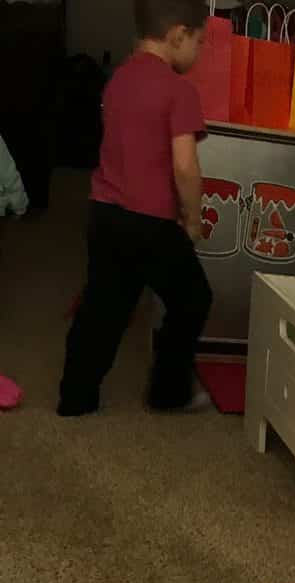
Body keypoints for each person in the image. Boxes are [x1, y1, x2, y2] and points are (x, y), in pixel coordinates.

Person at [57, 0, 212, 417]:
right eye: (199, 42)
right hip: (150, 223)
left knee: (105, 305)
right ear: (178, 35)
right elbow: (185, 167)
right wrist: (193, 219)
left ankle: (76, 396)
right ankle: (169, 393)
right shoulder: (179, 90)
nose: (200, 52)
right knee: (193, 298)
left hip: (104, 214)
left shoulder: (118, 79)